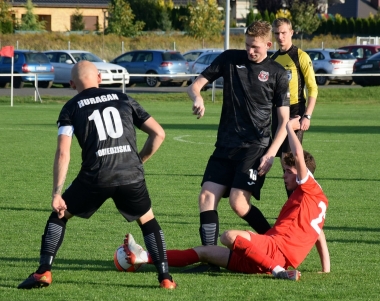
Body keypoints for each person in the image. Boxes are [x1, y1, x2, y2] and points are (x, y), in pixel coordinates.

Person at [18, 61, 176, 290]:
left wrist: (57, 193)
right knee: (148, 220)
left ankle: (43, 272)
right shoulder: (124, 99)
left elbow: (63, 152)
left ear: (72, 84)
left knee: (59, 215)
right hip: (130, 174)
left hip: (96, 176)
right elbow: (159, 134)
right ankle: (165, 278)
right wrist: (138, 161)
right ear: (100, 78)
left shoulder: (71, 107)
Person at [122, 116, 330, 280]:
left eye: (287, 171)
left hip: (274, 250)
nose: (284, 175)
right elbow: (318, 234)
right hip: (267, 257)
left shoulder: (308, 187)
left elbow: (298, 155)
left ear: (302, 173)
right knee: (205, 251)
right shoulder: (318, 201)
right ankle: (144, 257)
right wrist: (325, 269)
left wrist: (288, 127)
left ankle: (277, 271)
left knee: (228, 237)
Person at [186, 21, 290, 271]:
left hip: (255, 147)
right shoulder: (230, 59)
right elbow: (195, 85)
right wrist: (198, 97)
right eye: (246, 45)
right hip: (225, 145)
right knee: (206, 196)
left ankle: (277, 246)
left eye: (254, 47)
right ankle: (210, 260)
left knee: (238, 203)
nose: (249, 51)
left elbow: (284, 120)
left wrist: (272, 154)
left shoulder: (277, 73)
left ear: (267, 44)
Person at [271, 18, 319, 197]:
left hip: (296, 113)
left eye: (284, 32)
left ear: (291, 33)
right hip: (278, 114)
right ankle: (294, 202)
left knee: (291, 160)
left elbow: (313, 88)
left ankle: (302, 201)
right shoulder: (273, 59)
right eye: (277, 33)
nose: (280, 36)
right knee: (285, 164)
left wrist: (307, 116)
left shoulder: (301, 56)